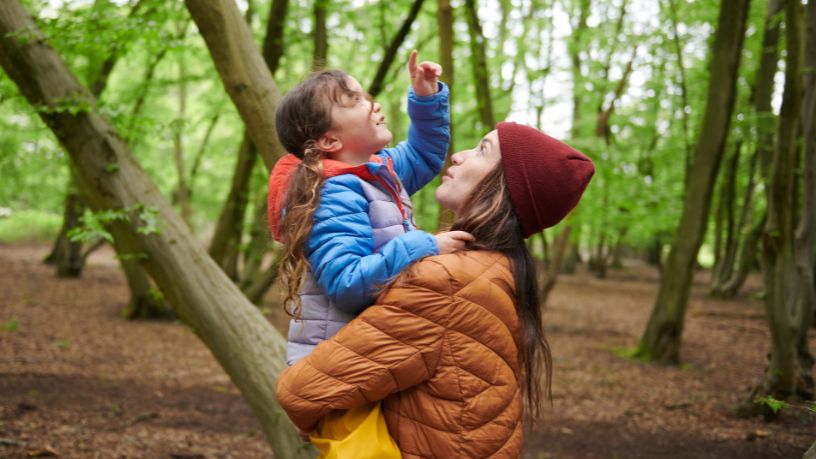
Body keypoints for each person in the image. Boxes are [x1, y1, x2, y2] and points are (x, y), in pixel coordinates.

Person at [276, 122, 595, 458]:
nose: (457, 156)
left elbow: (303, 391)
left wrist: (316, 415)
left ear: (503, 187)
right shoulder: (502, 272)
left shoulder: (445, 281)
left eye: (482, 150)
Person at [267, 50, 473, 366]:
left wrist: (426, 99)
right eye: (355, 101)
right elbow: (347, 283)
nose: (372, 104)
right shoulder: (333, 192)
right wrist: (425, 246)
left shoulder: (377, 170)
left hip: (367, 352)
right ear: (329, 140)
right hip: (338, 366)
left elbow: (423, 154)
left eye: (365, 96)